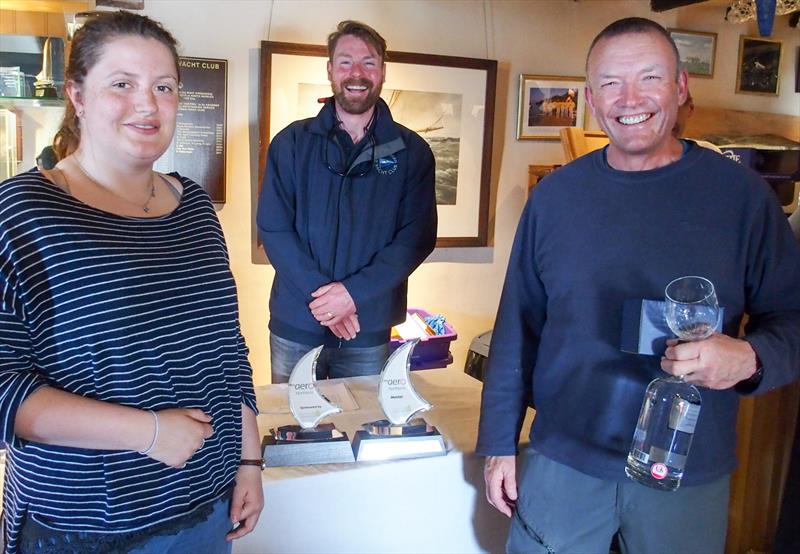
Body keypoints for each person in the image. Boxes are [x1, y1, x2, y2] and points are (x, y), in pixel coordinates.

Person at [477, 17, 800, 554]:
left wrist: (750, 358)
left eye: (649, 77)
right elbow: (517, 328)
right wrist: (498, 445)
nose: (630, 98)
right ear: (591, 99)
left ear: (679, 88)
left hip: (687, 467)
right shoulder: (555, 199)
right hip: (565, 460)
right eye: (610, 83)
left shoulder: (741, 199)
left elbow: (791, 319)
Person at [0, 11, 263, 554]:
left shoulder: (193, 207)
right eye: (122, 84)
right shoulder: (22, 212)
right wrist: (148, 432)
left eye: (163, 87)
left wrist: (249, 460)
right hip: (86, 525)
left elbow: (227, 349)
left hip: (206, 506)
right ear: (78, 94)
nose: (147, 105)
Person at [256, 20, 437, 383]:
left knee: (362, 427)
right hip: (297, 320)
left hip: (366, 325)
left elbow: (415, 239)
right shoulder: (291, 143)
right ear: (330, 70)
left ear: (383, 71)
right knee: (293, 429)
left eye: (369, 63)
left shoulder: (412, 152)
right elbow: (274, 228)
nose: (357, 73)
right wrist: (328, 302)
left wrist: (352, 295)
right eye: (345, 62)